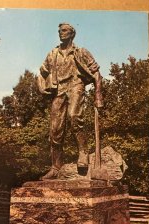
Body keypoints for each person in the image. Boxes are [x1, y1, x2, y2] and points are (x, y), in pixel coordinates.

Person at [38, 23, 103, 180]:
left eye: (65, 31)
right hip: (59, 90)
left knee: (74, 116)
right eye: (59, 31)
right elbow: (41, 73)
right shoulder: (53, 54)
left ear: (72, 34)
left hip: (75, 85)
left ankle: (83, 152)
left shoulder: (81, 52)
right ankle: (56, 167)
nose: (61, 33)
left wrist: (98, 95)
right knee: (55, 130)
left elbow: (96, 74)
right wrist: (41, 87)